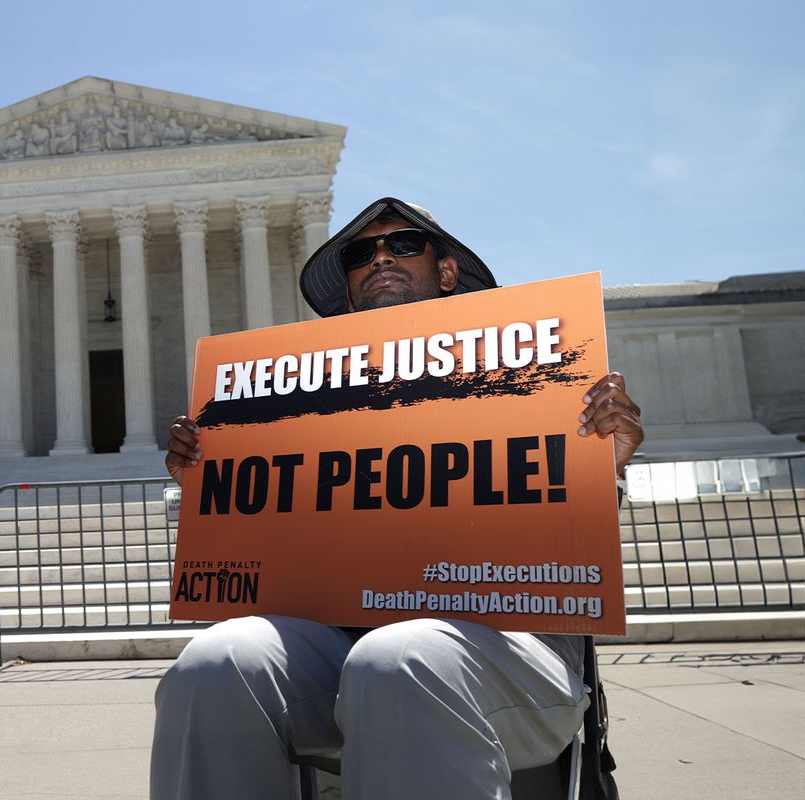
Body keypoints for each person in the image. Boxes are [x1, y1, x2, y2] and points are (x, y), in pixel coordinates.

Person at [152, 198, 643, 799]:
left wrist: (601, 466)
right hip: (343, 644)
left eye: (405, 243)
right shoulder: (308, 402)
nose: (381, 256)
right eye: (361, 252)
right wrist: (213, 486)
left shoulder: (533, 374)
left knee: (399, 656)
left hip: (512, 647)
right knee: (215, 662)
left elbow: (566, 535)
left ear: (445, 272)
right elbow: (274, 552)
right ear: (350, 291)